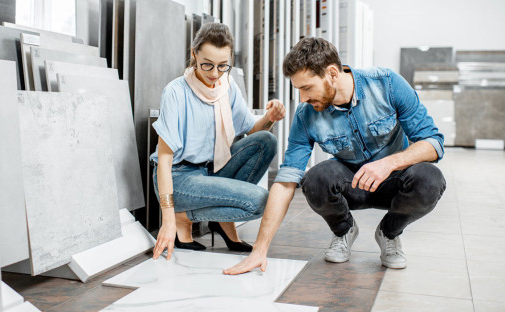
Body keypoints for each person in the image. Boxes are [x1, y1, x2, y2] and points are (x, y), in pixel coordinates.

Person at [225, 38, 447, 273]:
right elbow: (286, 181)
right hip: (351, 184)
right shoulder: (305, 115)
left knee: (430, 180)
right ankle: (344, 230)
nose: (302, 99)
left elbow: (433, 142)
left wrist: (389, 163)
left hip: (394, 180)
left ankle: (389, 233)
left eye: (307, 88)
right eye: (298, 89)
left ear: (332, 73)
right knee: (315, 179)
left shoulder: (387, 84)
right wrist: (259, 250)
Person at [150, 23, 286, 260]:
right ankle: (185, 217)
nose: (214, 73)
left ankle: (221, 222)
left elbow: (252, 129)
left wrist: (269, 118)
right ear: (194, 55)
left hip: (210, 170)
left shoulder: (226, 85)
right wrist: (168, 218)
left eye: (222, 66)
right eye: (207, 65)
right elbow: (164, 161)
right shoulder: (175, 92)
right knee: (261, 201)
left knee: (266, 140)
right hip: (178, 177)